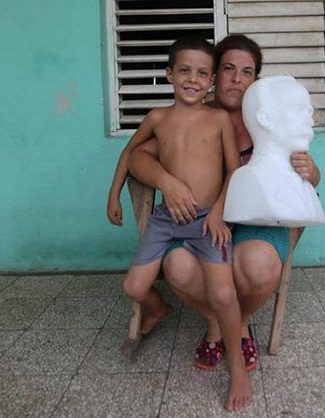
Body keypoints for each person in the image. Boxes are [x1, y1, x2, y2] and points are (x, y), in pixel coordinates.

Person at [127, 34, 321, 370]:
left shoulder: (269, 121)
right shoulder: (197, 114)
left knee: (259, 263)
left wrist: (312, 171)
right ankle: (217, 322)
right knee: (178, 265)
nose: (236, 78)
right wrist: (166, 182)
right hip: (200, 222)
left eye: (247, 72)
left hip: (253, 225)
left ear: (255, 80)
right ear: (215, 74)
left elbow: (303, 182)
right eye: (229, 68)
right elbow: (139, 157)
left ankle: (237, 324)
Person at [106, 36, 251, 411]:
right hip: (165, 220)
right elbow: (130, 152)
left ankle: (237, 368)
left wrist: (219, 211)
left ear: (212, 80)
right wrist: (113, 193)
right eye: (184, 70)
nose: (192, 79)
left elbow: (234, 170)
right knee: (133, 285)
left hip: (207, 221)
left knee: (223, 294)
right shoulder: (158, 117)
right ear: (169, 74)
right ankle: (159, 310)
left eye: (202, 73)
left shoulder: (218, 118)